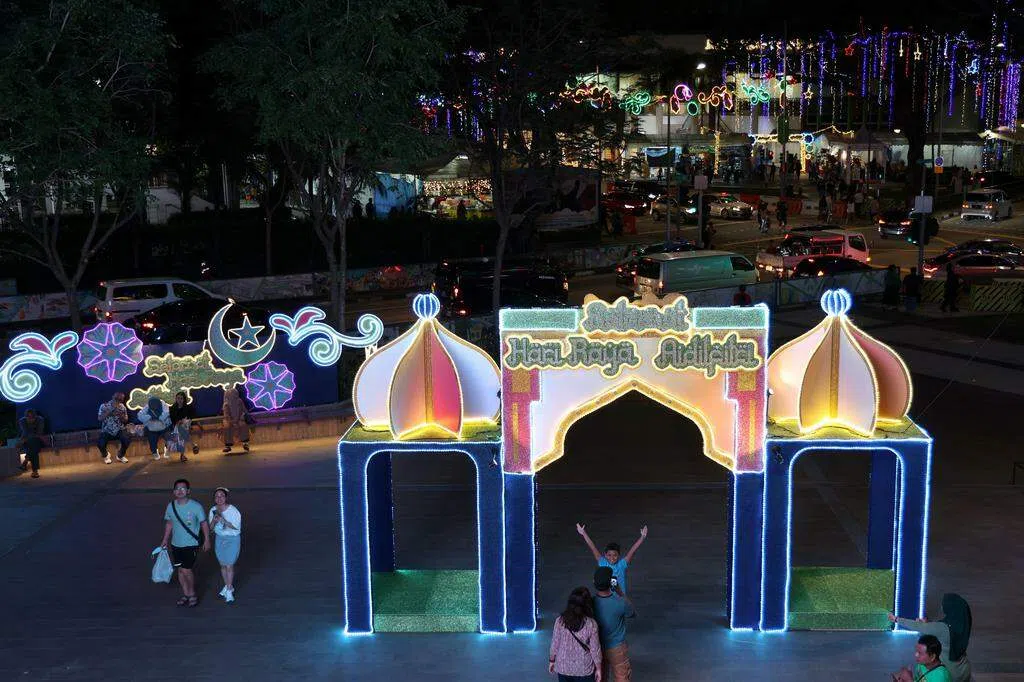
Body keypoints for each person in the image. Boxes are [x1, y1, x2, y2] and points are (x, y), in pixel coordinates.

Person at [889, 594, 972, 682]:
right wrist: (929, 624)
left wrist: (896, 619)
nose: (942, 607)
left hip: (948, 672)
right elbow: (942, 632)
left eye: (944, 604)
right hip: (963, 670)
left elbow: (919, 626)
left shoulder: (943, 628)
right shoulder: (960, 625)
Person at [160, 478, 210, 607]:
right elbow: (169, 523)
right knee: (180, 570)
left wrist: (207, 540)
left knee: (186, 570)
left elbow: (204, 523)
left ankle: (192, 594)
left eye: (183, 488)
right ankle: (185, 594)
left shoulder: (196, 506)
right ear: (174, 491)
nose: (180, 491)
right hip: (176, 544)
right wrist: (165, 539)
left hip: (191, 544)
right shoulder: (170, 506)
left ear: (188, 491)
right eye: (177, 488)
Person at [575, 523, 648, 595]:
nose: (612, 558)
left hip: (620, 599)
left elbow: (632, 550)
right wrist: (583, 533)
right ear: (605, 555)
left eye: (615, 555)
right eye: (609, 555)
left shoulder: (622, 565)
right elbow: (593, 547)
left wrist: (642, 537)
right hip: (607, 598)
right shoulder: (603, 563)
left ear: (619, 555)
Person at [548, 586, 602, 682]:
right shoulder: (591, 624)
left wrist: (552, 660)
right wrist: (599, 669)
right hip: (584, 669)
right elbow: (595, 649)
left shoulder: (560, 621)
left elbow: (555, 643)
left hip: (563, 667)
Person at [591, 567, 634, 682]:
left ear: (594, 582)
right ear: (611, 583)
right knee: (622, 677)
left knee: (600, 677)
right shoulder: (620, 603)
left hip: (597, 646)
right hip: (617, 647)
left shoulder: (590, 603)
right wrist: (620, 592)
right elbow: (631, 613)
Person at [209, 487, 242, 604]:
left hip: (232, 539)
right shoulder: (213, 510)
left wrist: (224, 521)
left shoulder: (233, 511)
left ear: (226, 497)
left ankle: (229, 590)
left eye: (222, 496)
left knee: (229, 565)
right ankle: (228, 585)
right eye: (217, 496)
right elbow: (211, 528)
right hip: (220, 539)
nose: (219, 498)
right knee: (222, 565)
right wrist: (214, 521)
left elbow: (236, 527)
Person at [97, 392, 131, 464]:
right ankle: (106, 455)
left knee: (126, 440)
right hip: (106, 430)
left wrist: (120, 415)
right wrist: (108, 413)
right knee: (100, 443)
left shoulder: (122, 407)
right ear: (113, 397)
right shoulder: (104, 406)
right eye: (116, 398)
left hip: (119, 429)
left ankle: (120, 456)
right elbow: (99, 418)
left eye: (120, 399)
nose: (118, 400)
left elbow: (125, 420)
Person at [138, 396, 171, 460]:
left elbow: (166, 413)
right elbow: (140, 415)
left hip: (164, 427)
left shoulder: (163, 405)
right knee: (152, 440)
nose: (154, 407)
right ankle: (154, 452)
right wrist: (150, 416)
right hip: (152, 428)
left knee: (169, 438)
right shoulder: (147, 406)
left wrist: (158, 417)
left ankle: (168, 449)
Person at [169, 391, 198, 462]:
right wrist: (178, 421)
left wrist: (186, 421)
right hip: (177, 426)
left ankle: (183, 455)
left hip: (186, 424)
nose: (179, 400)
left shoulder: (188, 407)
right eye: (178, 398)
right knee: (182, 433)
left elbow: (191, 416)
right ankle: (193, 445)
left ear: (184, 399)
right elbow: (172, 419)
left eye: (181, 398)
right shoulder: (173, 408)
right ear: (176, 399)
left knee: (182, 431)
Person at [18, 409, 46, 478]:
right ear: (26, 417)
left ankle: (26, 461)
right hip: (27, 442)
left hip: (37, 440)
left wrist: (29, 437)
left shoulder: (40, 420)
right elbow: (25, 432)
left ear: (35, 416)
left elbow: (39, 432)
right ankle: (35, 472)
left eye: (32, 417)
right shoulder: (22, 421)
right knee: (34, 449)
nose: (30, 419)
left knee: (34, 445)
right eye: (28, 417)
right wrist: (24, 440)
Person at [222, 387, 250, 454]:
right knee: (227, 427)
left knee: (243, 425)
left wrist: (238, 419)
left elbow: (243, 410)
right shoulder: (226, 404)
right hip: (229, 420)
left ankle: (245, 443)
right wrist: (233, 422)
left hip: (239, 419)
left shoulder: (239, 401)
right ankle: (228, 445)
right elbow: (226, 415)